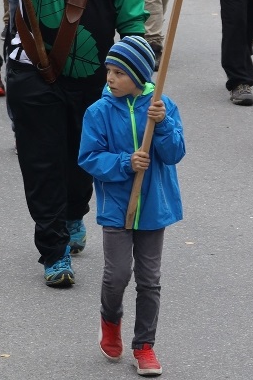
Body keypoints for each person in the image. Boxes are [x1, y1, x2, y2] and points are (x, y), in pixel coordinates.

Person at [0, 0, 146, 286]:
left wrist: (137, 72)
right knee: (41, 164)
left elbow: (131, 16)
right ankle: (53, 251)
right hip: (32, 74)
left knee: (82, 162)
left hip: (94, 79)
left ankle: (75, 213)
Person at [77, 36, 183, 376]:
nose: (110, 78)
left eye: (119, 72)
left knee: (150, 280)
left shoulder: (161, 106)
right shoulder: (99, 112)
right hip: (118, 207)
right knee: (118, 274)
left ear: (138, 75)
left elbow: (174, 154)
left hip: (153, 208)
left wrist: (163, 123)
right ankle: (110, 321)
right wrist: (125, 163)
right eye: (109, 70)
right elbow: (89, 157)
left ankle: (144, 346)